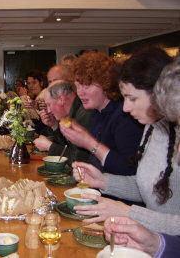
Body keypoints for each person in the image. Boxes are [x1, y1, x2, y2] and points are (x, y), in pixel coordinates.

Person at [72, 47, 179, 235]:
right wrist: (103, 181)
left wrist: (128, 212)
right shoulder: (153, 128)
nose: (126, 107)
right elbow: (148, 189)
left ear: (158, 94)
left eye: (132, 98)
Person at [60, 51, 144, 176]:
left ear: (106, 83)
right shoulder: (97, 112)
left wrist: (88, 142)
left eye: (86, 86)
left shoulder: (125, 116)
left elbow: (130, 169)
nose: (80, 93)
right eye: (78, 86)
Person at [33, 81, 92, 163]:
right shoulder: (70, 113)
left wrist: (49, 146)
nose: (48, 111)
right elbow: (65, 147)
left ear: (61, 99)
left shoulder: (84, 114)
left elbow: (78, 160)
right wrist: (54, 126)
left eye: (49, 105)